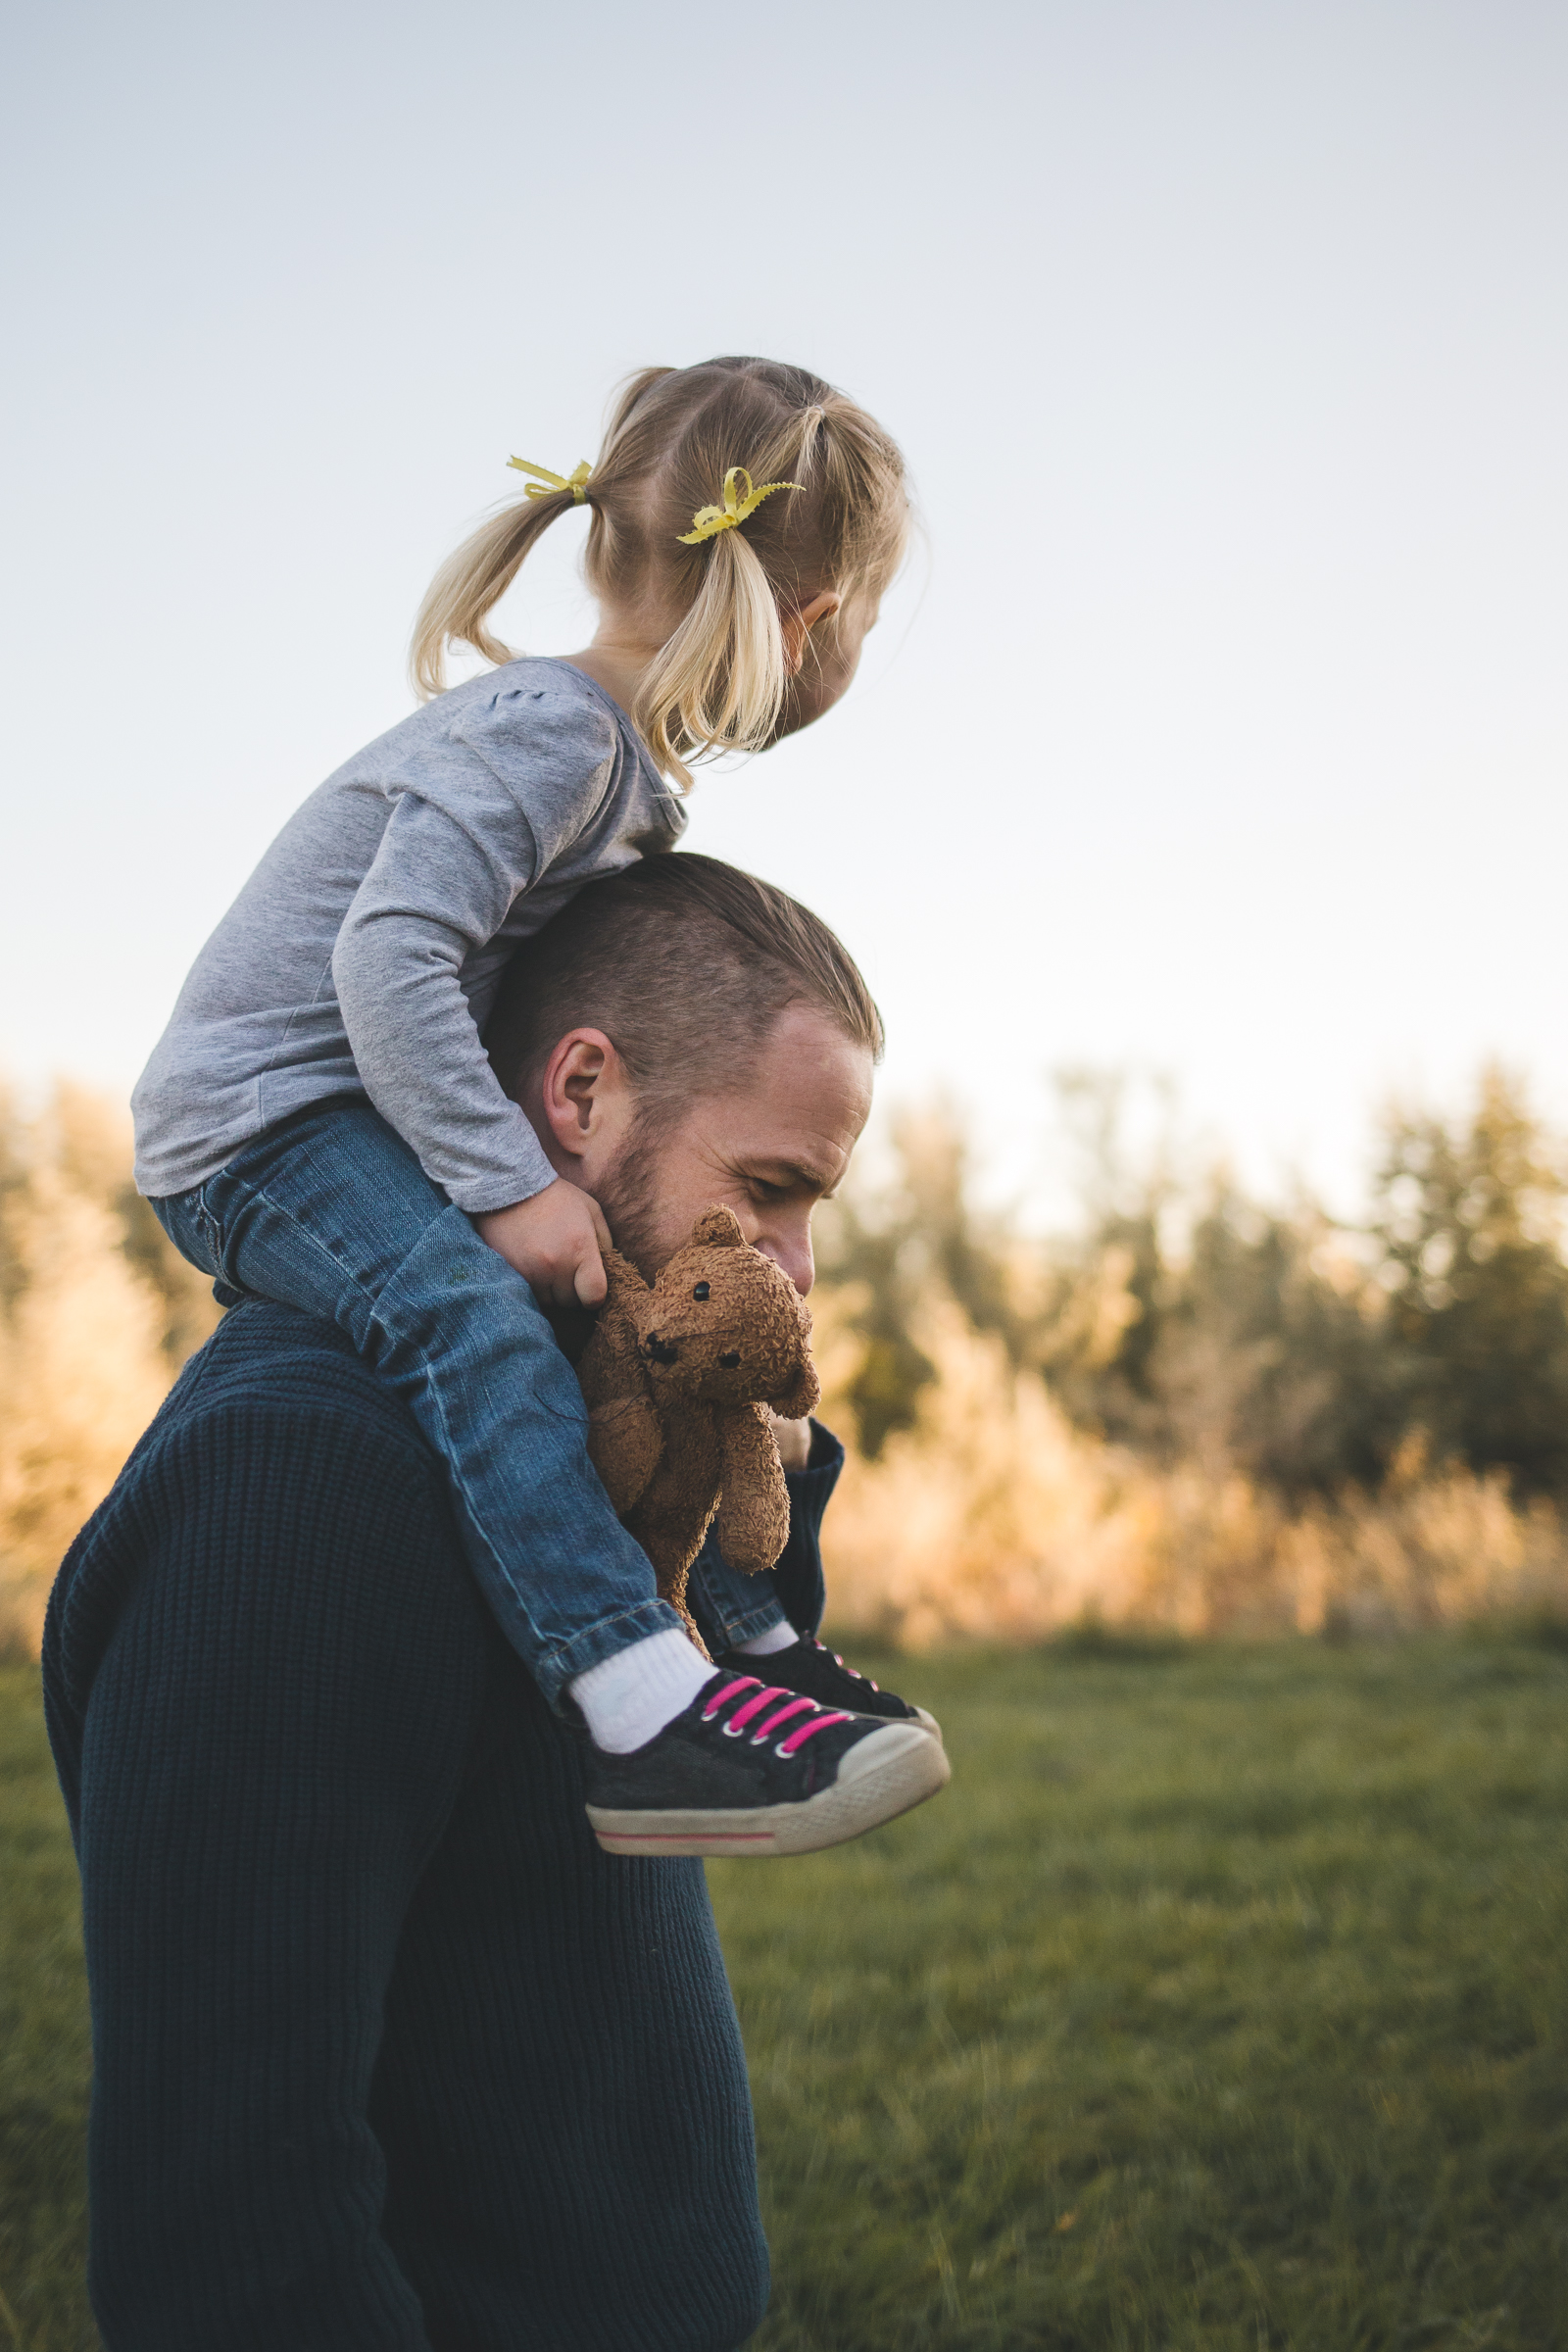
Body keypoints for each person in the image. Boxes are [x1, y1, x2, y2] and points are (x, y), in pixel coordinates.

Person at [43, 859, 934, 2349]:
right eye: (771, 1188)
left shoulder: (577, 1456)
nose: (794, 1263)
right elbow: (234, 2227)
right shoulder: (302, 1478)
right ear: (580, 1092)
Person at [129, 358, 925, 1841]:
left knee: (633, 1320)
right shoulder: (559, 735)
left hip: (345, 1104)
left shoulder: (607, 758)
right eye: (868, 617)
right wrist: (508, 1184)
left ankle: (753, 1651)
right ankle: (636, 1707)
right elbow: (386, 958)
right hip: (260, 1120)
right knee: (473, 1314)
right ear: (813, 620)